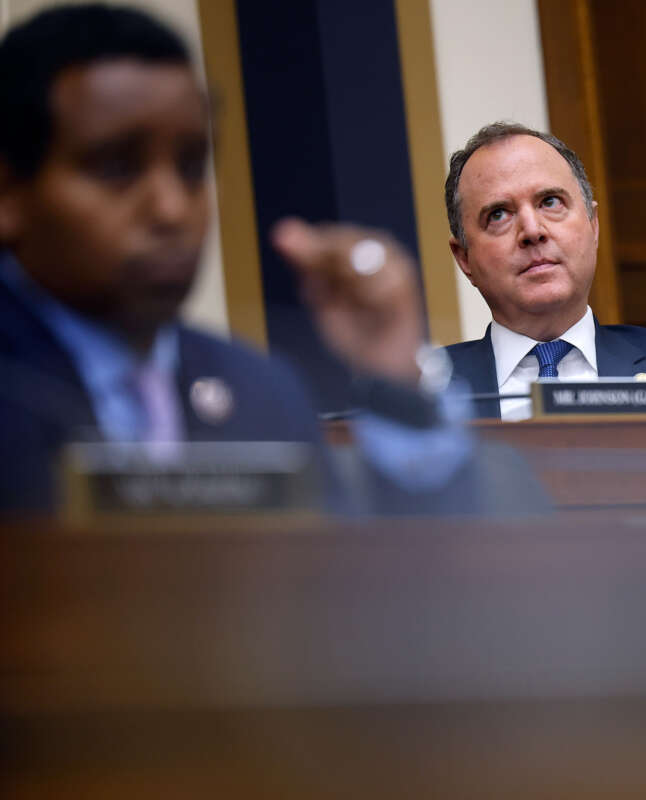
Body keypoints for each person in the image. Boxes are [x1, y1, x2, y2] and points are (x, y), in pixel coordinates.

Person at [0, 4, 494, 514]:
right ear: (10, 190)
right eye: (116, 167)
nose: (170, 208)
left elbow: (383, 584)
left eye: (192, 167)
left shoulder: (261, 392)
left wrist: (396, 384)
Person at [442, 121, 646, 420]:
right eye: (498, 215)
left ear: (593, 226)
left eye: (550, 201)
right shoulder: (419, 394)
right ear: (464, 258)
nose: (532, 231)